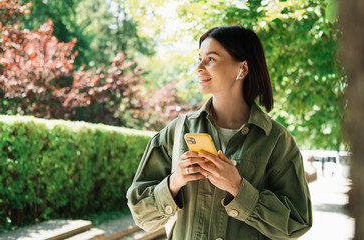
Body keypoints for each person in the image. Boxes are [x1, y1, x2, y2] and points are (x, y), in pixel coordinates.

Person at [127, 25, 312, 240]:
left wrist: (239, 188)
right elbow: (140, 213)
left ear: (242, 69)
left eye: (211, 59)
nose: (199, 67)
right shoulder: (176, 132)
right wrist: (174, 182)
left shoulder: (276, 140)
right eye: (200, 59)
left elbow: (296, 224)